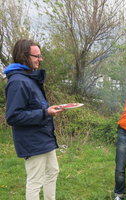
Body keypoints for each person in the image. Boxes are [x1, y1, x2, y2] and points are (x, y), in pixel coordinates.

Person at [4, 39, 64, 200]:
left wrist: (48, 110)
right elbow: (13, 116)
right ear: (24, 56)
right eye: (36, 56)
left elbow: (34, 106)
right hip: (33, 141)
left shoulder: (28, 77)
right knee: (35, 181)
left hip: (44, 137)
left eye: (40, 55)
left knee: (52, 172)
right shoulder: (18, 82)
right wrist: (45, 113)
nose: (40, 59)